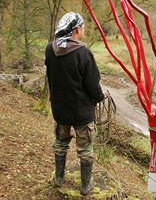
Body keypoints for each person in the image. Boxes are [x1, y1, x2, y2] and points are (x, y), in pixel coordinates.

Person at [45, 12, 104, 196]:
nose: (83, 31)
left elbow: (51, 77)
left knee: (60, 143)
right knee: (85, 148)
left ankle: (59, 178)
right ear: (77, 29)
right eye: (83, 27)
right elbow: (93, 84)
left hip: (60, 110)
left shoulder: (50, 49)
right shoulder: (83, 53)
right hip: (82, 112)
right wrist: (99, 97)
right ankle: (86, 186)